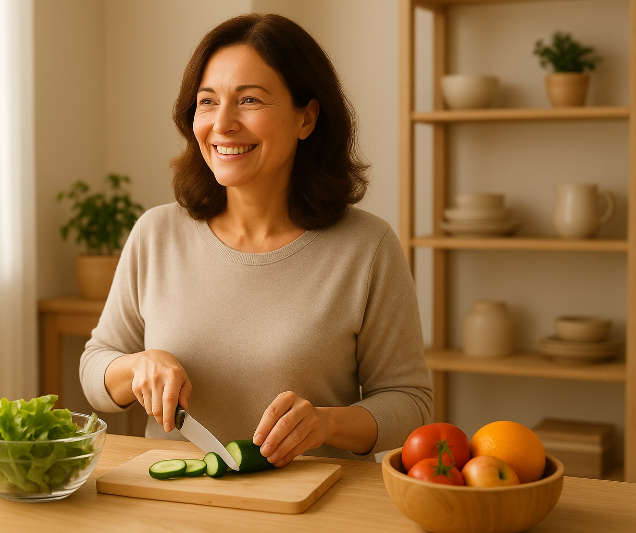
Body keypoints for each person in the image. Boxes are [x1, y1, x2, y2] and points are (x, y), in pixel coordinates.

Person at [80, 13, 432, 465]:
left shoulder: (367, 247)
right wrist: (137, 366)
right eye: (207, 102)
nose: (222, 123)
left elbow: (411, 403)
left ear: (306, 117)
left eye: (249, 100)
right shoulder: (156, 233)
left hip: (310, 507)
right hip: (173, 506)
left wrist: (328, 423)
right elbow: (95, 369)